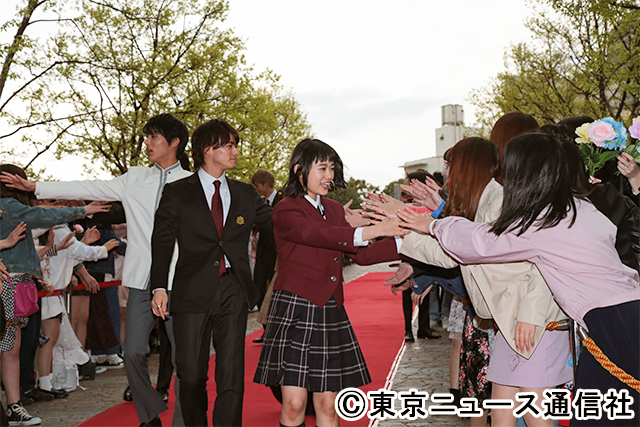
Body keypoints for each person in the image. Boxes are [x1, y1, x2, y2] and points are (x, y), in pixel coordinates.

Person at [398, 132, 640, 427]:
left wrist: (433, 225)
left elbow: (481, 243)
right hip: (623, 312)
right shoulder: (576, 207)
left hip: (612, 321)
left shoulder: (543, 221)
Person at [1, 114, 191, 427]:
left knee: (185, 358)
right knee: (131, 352)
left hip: (179, 280)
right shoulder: (135, 178)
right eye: (146, 137)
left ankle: (183, 421)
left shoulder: (190, 183)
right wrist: (35, 185)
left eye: (153, 137)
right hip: (142, 279)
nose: (146, 143)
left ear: (174, 142)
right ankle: (150, 413)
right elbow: (90, 185)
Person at [253, 138, 407, 427]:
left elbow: (360, 255)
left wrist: (403, 240)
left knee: (327, 404)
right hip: (294, 308)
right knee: (294, 404)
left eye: (332, 168)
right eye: (322, 167)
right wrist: (373, 228)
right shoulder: (286, 209)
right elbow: (316, 235)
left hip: (330, 309)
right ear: (300, 170)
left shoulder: (335, 209)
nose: (329, 175)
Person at [150, 118, 273, 427]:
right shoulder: (177, 192)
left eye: (235, 146)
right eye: (228, 146)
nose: (235, 152)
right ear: (207, 149)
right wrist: (159, 287)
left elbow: (278, 225)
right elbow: (162, 243)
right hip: (191, 291)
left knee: (231, 375)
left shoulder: (245, 193)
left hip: (234, 289)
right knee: (190, 376)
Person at [0, 163, 110, 426]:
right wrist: (84, 209)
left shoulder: (10, 210)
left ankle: (15, 406)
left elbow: (41, 217)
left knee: (12, 350)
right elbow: (44, 215)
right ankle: (15, 405)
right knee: (11, 349)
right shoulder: (9, 207)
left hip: (19, 283)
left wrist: (37, 274)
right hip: (8, 284)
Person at [250, 168, 283, 335]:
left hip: (279, 255)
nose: (257, 190)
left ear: (266, 184)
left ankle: (277, 329)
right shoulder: (260, 203)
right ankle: (268, 329)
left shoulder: (283, 199)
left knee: (277, 292)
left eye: (258, 186)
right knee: (259, 289)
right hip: (263, 254)